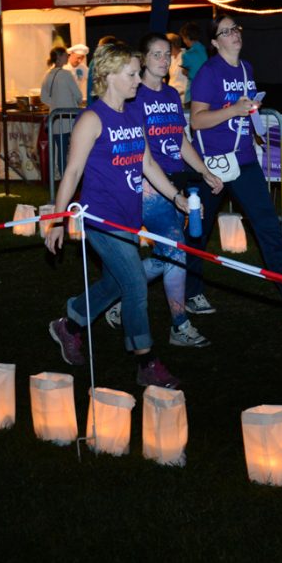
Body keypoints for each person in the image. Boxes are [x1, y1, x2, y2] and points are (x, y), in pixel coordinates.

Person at [46, 41, 190, 390]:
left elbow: (147, 163)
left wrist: (176, 197)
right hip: (102, 220)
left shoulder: (133, 113)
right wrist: (57, 219)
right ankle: (146, 361)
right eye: (132, 74)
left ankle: (70, 324)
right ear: (109, 76)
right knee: (135, 284)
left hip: (129, 218)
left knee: (115, 283)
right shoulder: (91, 119)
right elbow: (72, 172)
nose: (138, 80)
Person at [187, 15, 282, 316]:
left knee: (267, 226)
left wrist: (252, 117)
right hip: (212, 164)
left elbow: (243, 109)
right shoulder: (209, 72)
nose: (235, 34)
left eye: (236, 28)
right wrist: (234, 109)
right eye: (226, 31)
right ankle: (191, 293)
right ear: (215, 43)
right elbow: (196, 120)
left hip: (245, 159)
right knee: (198, 231)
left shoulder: (246, 68)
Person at [121, 32, 224, 347]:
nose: (164, 60)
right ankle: (180, 325)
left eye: (167, 54)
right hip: (147, 184)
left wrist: (204, 171)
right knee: (176, 250)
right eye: (156, 54)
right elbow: (141, 154)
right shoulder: (134, 96)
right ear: (143, 59)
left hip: (175, 180)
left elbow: (180, 140)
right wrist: (165, 189)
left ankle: (118, 294)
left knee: (167, 254)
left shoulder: (170, 95)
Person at [40, 46, 79, 181]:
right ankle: (70, 180)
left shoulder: (47, 75)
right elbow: (78, 95)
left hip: (55, 119)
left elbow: (43, 98)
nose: (67, 57)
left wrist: (55, 104)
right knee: (72, 150)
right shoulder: (66, 74)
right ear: (59, 57)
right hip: (70, 119)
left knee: (60, 151)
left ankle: (63, 179)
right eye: (65, 55)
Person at [178, 23, 208, 106]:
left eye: (183, 38)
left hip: (192, 93)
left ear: (187, 38)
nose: (184, 41)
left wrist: (184, 71)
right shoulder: (205, 49)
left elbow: (186, 72)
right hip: (206, 90)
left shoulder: (186, 54)